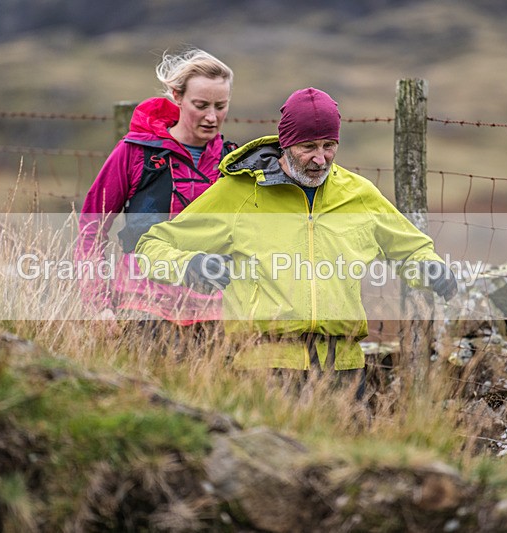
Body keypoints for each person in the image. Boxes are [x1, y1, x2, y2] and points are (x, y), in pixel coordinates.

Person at [134, 87, 457, 397]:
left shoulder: (359, 193)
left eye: (329, 145)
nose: (320, 159)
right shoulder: (240, 193)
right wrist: (191, 265)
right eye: (308, 147)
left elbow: (411, 249)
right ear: (286, 144)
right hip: (264, 367)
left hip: (344, 370)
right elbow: (152, 246)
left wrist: (430, 269)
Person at [76, 48, 236, 329]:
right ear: (177, 96)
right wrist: (98, 305)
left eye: (220, 106)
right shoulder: (135, 153)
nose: (212, 117)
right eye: (201, 105)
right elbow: (91, 229)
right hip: (143, 309)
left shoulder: (233, 162)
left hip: (215, 318)